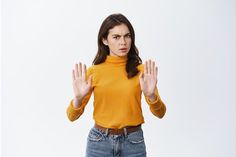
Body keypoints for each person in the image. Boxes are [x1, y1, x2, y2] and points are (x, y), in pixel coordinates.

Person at [66, 13, 166, 157]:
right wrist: (78, 99)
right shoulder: (94, 72)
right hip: (99, 143)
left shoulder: (142, 71)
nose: (123, 42)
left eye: (127, 36)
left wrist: (151, 96)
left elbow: (160, 113)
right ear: (105, 40)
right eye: (116, 37)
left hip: (133, 142)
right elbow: (71, 116)